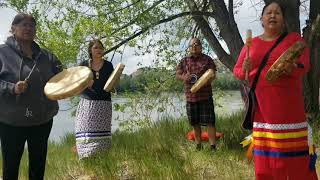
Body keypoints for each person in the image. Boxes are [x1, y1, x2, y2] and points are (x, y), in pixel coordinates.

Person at [233, 1, 318, 179]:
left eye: (277, 13)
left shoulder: (294, 40)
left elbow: (305, 65)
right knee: (267, 163)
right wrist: (245, 70)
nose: (272, 15)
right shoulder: (251, 44)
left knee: (297, 162)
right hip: (263, 111)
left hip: (289, 110)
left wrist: (292, 68)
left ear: (284, 20)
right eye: (268, 13)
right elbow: (238, 71)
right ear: (262, 20)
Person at [0, 13, 63, 179]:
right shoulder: (2, 53)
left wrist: (70, 85)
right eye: (23, 24)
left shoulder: (46, 56)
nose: (28, 28)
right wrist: (12, 88)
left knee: (38, 165)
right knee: (11, 166)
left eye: (31, 25)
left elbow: (62, 77)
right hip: (12, 122)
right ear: (13, 28)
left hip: (42, 120)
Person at [176, 37, 217, 152]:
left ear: (201, 46)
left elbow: (213, 74)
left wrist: (207, 79)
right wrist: (184, 77)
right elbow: (177, 75)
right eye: (192, 45)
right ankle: (198, 146)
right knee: (195, 123)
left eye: (197, 44)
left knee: (210, 122)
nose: (194, 46)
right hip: (191, 97)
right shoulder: (184, 61)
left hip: (205, 96)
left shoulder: (208, 60)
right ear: (189, 48)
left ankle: (213, 147)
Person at [75, 39, 114, 159]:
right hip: (87, 103)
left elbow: (112, 85)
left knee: (102, 131)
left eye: (101, 48)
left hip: (104, 103)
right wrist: (85, 83)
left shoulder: (108, 65)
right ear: (90, 50)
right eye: (96, 47)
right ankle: (85, 156)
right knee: (85, 128)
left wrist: (114, 84)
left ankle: (102, 157)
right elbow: (76, 83)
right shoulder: (83, 65)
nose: (99, 50)